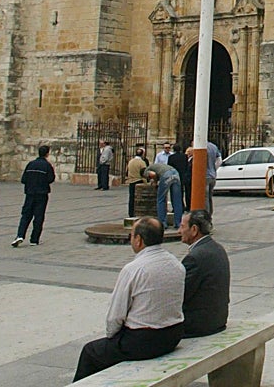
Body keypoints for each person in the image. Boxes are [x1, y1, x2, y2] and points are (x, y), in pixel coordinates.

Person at [72, 217, 185, 381]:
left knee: (90, 352)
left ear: (139, 240)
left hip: (143, 341)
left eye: (131, 235)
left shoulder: (133, 269)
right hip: (173, 334)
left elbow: (115, 316)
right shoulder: (176, 264)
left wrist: (112, 337)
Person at [179, 210, 230, 336]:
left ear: (194, 230)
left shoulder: (195, 258)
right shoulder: (217, 248)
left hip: (199, 324)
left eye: (182, 227)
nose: (179, 231)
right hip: (218, 318)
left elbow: (181, 294)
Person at [13, 144, 56, 247]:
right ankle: (34, 239)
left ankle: (20, 235)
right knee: (39, 216)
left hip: (30, 193)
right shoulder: (47, 165)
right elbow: (51, 179)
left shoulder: (30, 164)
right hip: (42, 194)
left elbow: (24, 179)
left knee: (26, 215)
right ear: (47, 154)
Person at [144, 161, 183, 229]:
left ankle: (162, 223)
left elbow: (153, 174)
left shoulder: (146, 171)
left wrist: (155, 182)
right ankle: (178, 223)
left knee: (161, 199)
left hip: (166, 175)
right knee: (177, 200)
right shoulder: (156, 166)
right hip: (175, 173)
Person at [126, 147, 148, 217]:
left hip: (131, 181)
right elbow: (144, 173)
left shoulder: (130, 161)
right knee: (139, 198)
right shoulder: (142, 162)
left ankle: (131, 212)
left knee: (131, 197)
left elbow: (127, 171)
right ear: (143, 154)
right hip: (139, 180)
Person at [167, 143, 189, 210]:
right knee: (182, 192)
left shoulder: (171, 157)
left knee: (174, 193)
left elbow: (169, 167)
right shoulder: (184, 156)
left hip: (174, 176)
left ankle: (175, 207)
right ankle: (182, 205)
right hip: (183, 176)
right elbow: (187, 166)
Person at [203, 139, 222, 216]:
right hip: (212, 175)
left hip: (205, 176)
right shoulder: (214, 146)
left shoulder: (201, 146)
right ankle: (210, 213)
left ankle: (206, 214)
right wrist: (214, 169)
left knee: (205, 197)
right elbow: (219, 160)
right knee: (209, 197)